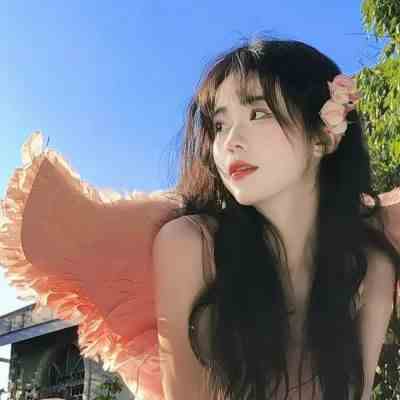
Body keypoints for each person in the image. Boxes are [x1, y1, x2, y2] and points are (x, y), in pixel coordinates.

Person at [0, 37, 399, 400]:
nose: (229, 142)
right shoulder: (191, 245)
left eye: (258, 113)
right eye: (220, 124)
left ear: (323, 137)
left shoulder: (369, 262)